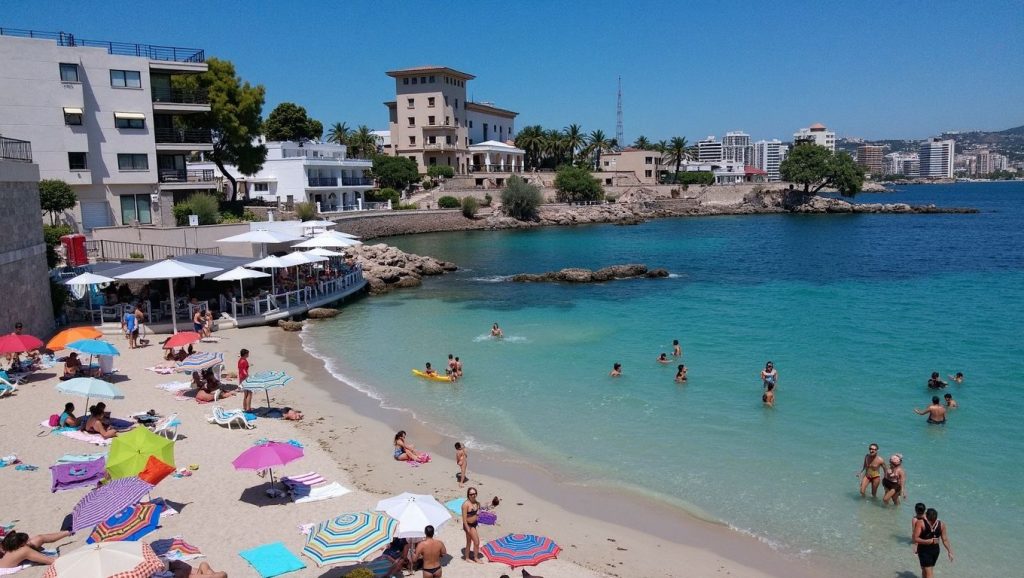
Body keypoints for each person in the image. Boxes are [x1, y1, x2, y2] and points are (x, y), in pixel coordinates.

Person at [913, 508, 953, 577]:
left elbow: (945, 539)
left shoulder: (941, 525)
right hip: (924, 550)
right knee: (925, 569)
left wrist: (949, 551)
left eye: (933, 520)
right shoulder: (920, 523)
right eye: (931, 520)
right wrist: (926, 541)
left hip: (933, 551)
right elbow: (915, 538)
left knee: (928, 572)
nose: (932, 522)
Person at [0, 530, 70, 568]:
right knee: (28, 548)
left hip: (8, 550)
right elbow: (52, 561)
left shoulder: (10, 544)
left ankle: (68, 532)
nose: (29, 541)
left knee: (39, 538)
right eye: (27, 541)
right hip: (3, 563)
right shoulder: (24, 550)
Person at [461, 487, 483, 563]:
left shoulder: (477, 503)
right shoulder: (465, 505)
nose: (473, 495)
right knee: (476, 542)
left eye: (474, 494)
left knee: (469, 541)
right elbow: (464, 519)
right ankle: (476, 558)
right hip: (468, 525)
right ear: (468, 495)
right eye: (471, 494)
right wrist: (467, 528)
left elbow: (478, 514)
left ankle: (467, 557)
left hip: (474, 524)